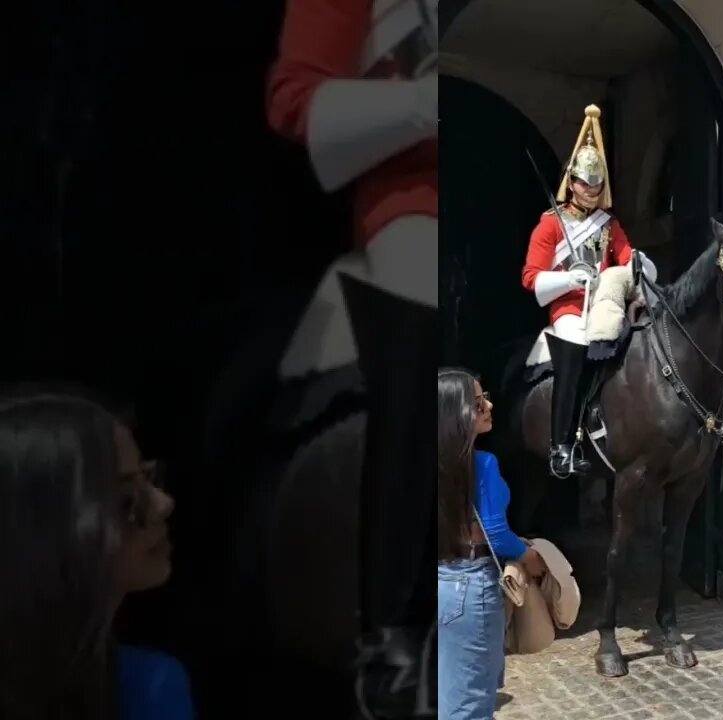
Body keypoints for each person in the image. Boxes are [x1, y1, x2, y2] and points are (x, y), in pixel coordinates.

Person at [265, 1, 438, 715]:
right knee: (419, 352)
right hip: (410, 204)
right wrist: (428, 105)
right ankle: (392, 637)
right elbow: (296, 99)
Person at [0, 392, 193, 720]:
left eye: (149, 478)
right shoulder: (148, 689)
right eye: (127, 501)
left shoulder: (149, 685)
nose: (164, 504)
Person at [521, 104, 657, 479]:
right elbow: (532, 278)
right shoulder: (550, 226)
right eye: (585, 183)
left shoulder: (608, 225)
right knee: (576, 346)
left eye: (597, 185)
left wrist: (639, 264)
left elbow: (628, 258)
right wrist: (570, 279)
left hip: (603, 304)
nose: (591, 191)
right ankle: (562, 446)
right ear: (572, 181)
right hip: (566, 309)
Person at [437, 368, 546, 719]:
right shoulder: (481, 464)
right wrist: (528, 556)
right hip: (468, 585)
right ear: (456, 413)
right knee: (468, 705)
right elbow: (496, 533)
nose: (489, 405)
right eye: (479, 401)